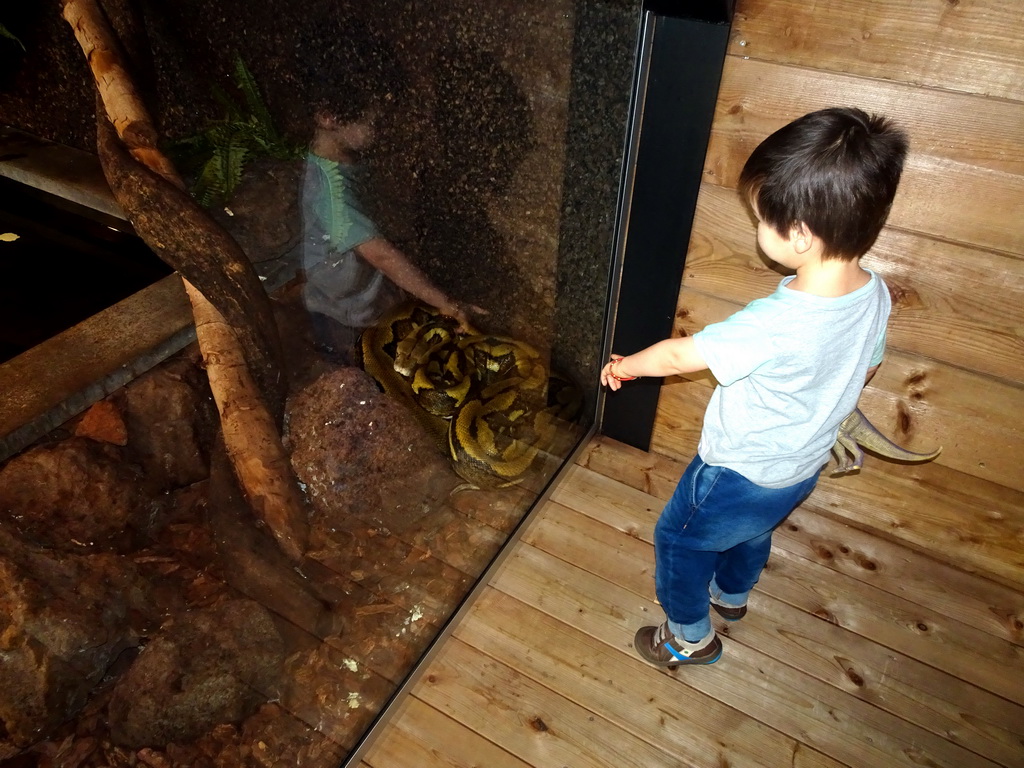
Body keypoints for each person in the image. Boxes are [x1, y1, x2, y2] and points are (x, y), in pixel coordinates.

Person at [601, 107, 908, 666]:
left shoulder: (773, 323)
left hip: (735, 470)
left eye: (761, 218)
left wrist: (626, 367)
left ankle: (690, 637)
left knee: (681, 540)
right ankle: (732, 595)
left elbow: (679, 355)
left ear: (798, 234)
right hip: (799, 466)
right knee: (752, 529)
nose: (758, 228)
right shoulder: (875, 292)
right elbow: (866, 367)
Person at [296, 93, 480, 359]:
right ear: (329, 118)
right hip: (345, 312)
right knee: (357, 368)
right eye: (372, 122)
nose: (380, 130)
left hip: (350, 292)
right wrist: (446, 303)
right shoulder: (332, 195)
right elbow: (382, 255)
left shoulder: (334, 162)